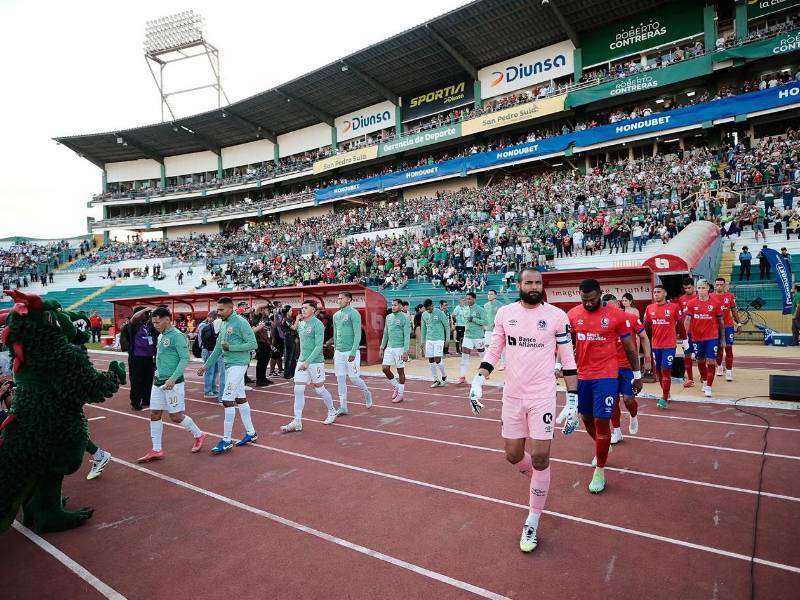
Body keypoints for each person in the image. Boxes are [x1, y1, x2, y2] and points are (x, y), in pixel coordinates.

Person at [468, 268, 578, 552]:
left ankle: (532, 521)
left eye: (538, 282)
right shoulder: (505, 313)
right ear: (519, 285)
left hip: (542, 396)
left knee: (541, 458)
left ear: (542, 286)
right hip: (513, 396)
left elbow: (567, 359)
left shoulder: (556, 316)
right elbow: (493, 351)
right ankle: (540, 482)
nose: (533, 286)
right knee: (513, 455)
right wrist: (478, 381)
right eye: (528, 282)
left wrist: (573, 399)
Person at [567, 279, 643, 494]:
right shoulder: (573, 314)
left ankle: (600, 470)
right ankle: (604, 445)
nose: (588, 303)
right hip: (583, 375)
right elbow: (566, 343)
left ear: (600, 293)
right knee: (586, 418)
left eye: (592, 299)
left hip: (607, 375)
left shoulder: (616, 315)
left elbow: (629, 347)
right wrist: (559, 366)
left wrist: (637, 375)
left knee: (602, 420)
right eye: (584, 299)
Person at [138, 307, 206, 462]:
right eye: (153, 322)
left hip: (173, 383)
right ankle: (156, 449)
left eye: (157, 322)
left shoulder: (177, 336)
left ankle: (199, 434)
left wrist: (173, 378)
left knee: (175, 416)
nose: (155, 325)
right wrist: (157, 372)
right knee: (154, 413)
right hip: (158, 382)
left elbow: (185, 359)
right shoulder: (161, 336)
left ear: (167, 319)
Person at [197, 297, 259, 454]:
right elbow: (218, 348)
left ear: (230, 308)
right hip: (229, 365)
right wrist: (205, 366)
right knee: (240, 399)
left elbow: (253, 344)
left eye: (221, 310)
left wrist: (231, 347)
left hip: (239, 365)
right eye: (217, 310)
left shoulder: (241, 322)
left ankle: (226, 440)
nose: (219, 312)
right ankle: (251, 433)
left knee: (226, 400)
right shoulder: (223, 324)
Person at [280, 300, 337, 432]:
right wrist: (302, 360)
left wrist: (308, 362)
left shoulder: (318, 324)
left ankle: (332, 411)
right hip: (302, 361)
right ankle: (297, 421)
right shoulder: (301, 323)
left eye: (305, 308)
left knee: (319, 389)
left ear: (313, 310)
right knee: (298, 390)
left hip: (315, 361)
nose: (302, 310)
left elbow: (318, 346)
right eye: (302, 308)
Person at [602, 294, 650, 444]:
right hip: (609, 369)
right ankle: (616, 431)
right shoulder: (602, 322)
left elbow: (644, 337)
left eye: (610, 306)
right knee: (612, 401)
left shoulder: (630, 318)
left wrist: (647, 358)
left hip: (628, 367)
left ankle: (634, 416)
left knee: (629, 400)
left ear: (617, 304)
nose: (608, 310)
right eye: (605, 307)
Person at [331, 292, 372, 415]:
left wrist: (353, 351)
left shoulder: (354, 313)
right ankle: (343, 406)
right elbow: (335, 334)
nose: (338, 300)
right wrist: (335, 351)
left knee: (354, 378)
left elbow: (357, 334)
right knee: (340, 379)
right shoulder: (336, 315)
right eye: (338, 298)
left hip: (351, 351)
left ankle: (367, 393)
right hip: (339, 351)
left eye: (341, 298)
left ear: (348, 300)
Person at [683, 279, 725, 398]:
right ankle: (705, 380)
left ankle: (708, 387)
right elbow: (687, 321)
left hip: (712, 337)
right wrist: (685, 338)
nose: (701, 290)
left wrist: (722, 339)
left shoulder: (716, 303)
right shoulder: (691, 303)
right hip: (697, 338)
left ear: (708, 289)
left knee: (711, 361)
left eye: (703, 288)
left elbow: (721, 322)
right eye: (699, 288)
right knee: (700, 361)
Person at [643, 285, 682, 409]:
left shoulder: (674, 307)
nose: (656, 294)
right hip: (656, 346)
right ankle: (666, 392)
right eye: (654, 292)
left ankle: (664, 398)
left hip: (669, 345)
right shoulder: (649, 308)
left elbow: (680, 324)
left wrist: (685, 340)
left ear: (665, 293)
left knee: (666, 370)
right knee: (659, 371)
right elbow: (646, 327)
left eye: (658, 292)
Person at [123, 306, 158, 411]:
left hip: (149, 357)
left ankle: (146, 399)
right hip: (136, 357)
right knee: (137, 380)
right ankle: (135, 402)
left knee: (148, 379)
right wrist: (144, 310)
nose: (147, 315)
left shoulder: (149, 325)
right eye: (145, 313)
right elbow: (134, 318)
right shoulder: (133, 325)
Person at [380, 298, 411, 403]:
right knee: (385, 368)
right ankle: (396, 387)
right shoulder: (388, 317)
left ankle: (401, 395)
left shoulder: (405, 318)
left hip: (400, 348)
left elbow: (407, 336)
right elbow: (385, 333)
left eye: (395, 305)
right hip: (389, 347)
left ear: (401, 306)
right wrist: (381, 347)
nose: (393, 307)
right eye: (392, 305)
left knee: (400, 371)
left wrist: (406, 351)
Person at [711, 277, 740, 381]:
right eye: (717, 284)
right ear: (714, 285)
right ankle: (719, 366)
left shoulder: (730, 296)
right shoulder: (710, 296)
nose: (719, 286)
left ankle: (729, 371)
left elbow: (734, 310)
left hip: (728, 326)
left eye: (721, 284)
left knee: (728, 348)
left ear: (725, 285)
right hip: (715, 327)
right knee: (718, 349)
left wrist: (739, 323)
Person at [421, 298, 450, 387]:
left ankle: (444, 376)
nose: (428, 311)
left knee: (437, 359)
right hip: (429, 339)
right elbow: (424, 328)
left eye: (429, 308)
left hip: (439, 339)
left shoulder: (439, 313)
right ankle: (435, 379)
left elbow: (446, 326)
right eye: (426, 309)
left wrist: (447, 339)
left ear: (432, 306)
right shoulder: (424, 315)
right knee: (430, 359)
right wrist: (423, 341)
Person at [458, 292, 485, 384]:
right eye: (467, 299)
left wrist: (473, 319)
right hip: (467, 336)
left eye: (469, 299)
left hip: (478, 336)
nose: (468, 300)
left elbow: (485, 322)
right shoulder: (465, 309)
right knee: (464, 356)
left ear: (474, 299)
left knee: (483, 356)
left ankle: (486, 371)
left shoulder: (480, 309)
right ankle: (462, 376)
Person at [198, 311, 225, 398]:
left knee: (215, 371)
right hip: (207, 350)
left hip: (213, 350)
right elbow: (205, 338)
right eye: (213, 318)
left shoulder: (210, 325)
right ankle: (207, 391)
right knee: (209, 371)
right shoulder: (203, 326)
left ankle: (212, 389)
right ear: (209, 317)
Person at [677, 278, 698, 387]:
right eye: (685, 288)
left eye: (689, 288)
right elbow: (680, 317)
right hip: (687, 333)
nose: (687, 290)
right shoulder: (681, 299)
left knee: (701, 357)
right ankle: (690, 379)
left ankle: (705, 379)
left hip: (698, 332)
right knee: (687, 355)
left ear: (693, 286)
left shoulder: (699, 297)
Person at [251, 305, 274, 387]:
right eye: (267, 309)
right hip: (260, 342)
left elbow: (274, 326)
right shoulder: (257, 316)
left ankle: (263, 378)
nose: (269, 311)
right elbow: (258, 307)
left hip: (267, 342)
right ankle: (259, 380)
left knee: (265, 361)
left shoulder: (268, 318)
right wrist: (268, 304)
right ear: (263, 310)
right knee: (261, 362)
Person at [483, 290, 505, 369]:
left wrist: (497, 324)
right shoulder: (485, 305)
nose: (489, 295)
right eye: (488, 294)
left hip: (497, 329)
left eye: (491, 294)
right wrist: (484, 325)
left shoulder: (500, 305)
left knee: (500, 346)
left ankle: (503, 363)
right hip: (488, 329)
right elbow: (484, 316)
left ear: (495, 296)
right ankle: (487, 363)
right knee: (487, 346)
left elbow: (502, 316)